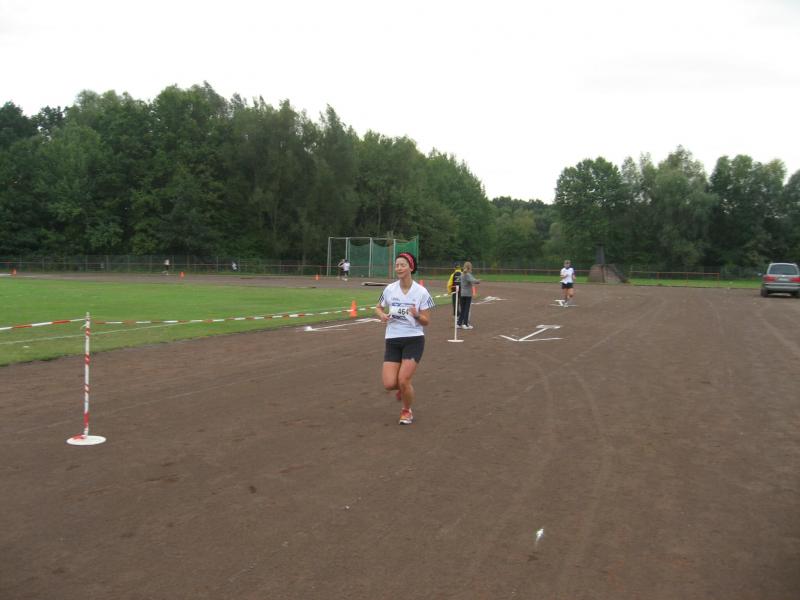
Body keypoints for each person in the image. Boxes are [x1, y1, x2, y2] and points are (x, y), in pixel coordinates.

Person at [375, 252, 435, 425]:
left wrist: (416, 315)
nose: (399, 268)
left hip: (413, 339)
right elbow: (378, 307)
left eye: (402, 265)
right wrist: (382, 315)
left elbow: (426, 321)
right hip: (393, 338)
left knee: (403, 379)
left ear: (411, 267)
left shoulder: (421, 292)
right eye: (397, 265)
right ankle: (404, 387)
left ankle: (406, 411)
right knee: (389, 384)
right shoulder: (389, 289)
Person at [457, 261, 480, 329]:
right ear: (470, 267)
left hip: (462, 294)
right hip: (467, 294)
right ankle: (465, 324)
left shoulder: (462, 274)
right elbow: (473, 280)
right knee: (466, 309)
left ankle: (459, 323)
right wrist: (478, 281)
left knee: (463, 309)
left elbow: (460, 280)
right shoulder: (467, 274)